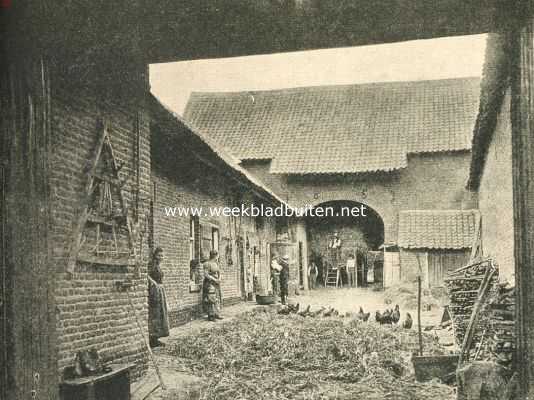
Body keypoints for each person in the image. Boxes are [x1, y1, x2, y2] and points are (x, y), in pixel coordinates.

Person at [148, 247, 170, 347]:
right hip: (154, 291)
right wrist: (154, 283)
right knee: (155, 312)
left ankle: (156, 337)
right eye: (159, 255)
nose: (161, 257)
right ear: (155, 255)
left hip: (160, 290)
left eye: (162, 255)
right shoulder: (152, 264)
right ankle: (152, 337)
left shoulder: (158, 265)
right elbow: (146, 275)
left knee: (161, 312)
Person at [203, 250, 223, 321]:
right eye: (217, 255)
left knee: (217, 297)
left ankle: (217, 313)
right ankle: (211, 315)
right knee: (211, 298)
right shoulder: (207, 264)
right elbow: (206, 274)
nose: (217, 257)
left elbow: (219, 272)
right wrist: (214, 280)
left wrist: (219, 278)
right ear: (215, 256)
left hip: (216, 283)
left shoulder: (216, 263)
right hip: (209, 283)